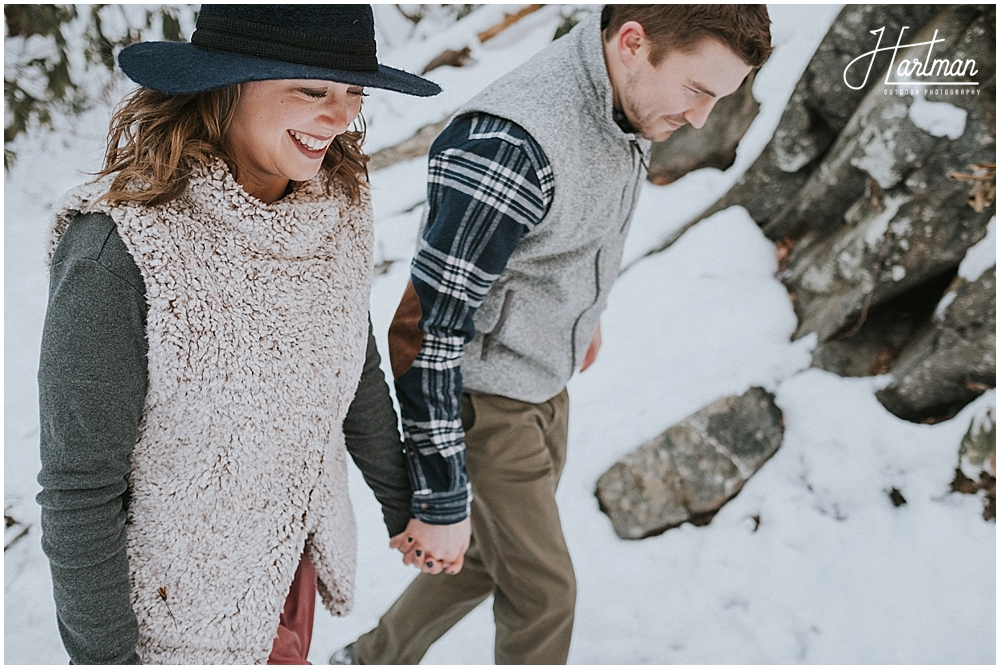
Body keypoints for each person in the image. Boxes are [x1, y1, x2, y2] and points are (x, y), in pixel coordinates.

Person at [332, 4, 773, 665]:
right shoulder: (512, 147)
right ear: (631, 43)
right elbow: (422, 331)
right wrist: (443, 492)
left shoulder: (628, 98)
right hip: (486, 404)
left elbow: (557, 240)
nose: (701, 118)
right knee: (545, 595)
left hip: (542, 384)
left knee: (490, 557)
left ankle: (367, 658)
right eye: (698, 91)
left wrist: (574, 320)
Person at [35, 5, 445, 664]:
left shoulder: (335, 205)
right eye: (313, 89)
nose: (340, 116)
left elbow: (352, 363)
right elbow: (79, 491)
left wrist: (405, 506)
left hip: (288, 574)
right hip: (175, 615)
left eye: (353, 94)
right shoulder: (122, 247)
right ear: (228, 84)